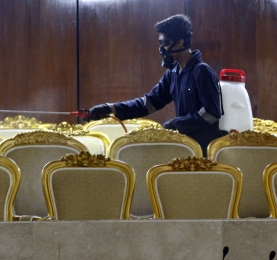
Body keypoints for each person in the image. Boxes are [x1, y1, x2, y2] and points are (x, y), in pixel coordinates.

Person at [88, 14, 222, 156]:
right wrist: (110, 109)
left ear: (180, 43)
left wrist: (177, 124)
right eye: (160, 43)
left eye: (165, 42)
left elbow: (211, 112)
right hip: (185, 148)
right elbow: (148, 103)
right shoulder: (173, 73)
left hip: (204, 153)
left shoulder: (201, 71)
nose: (161, 48)